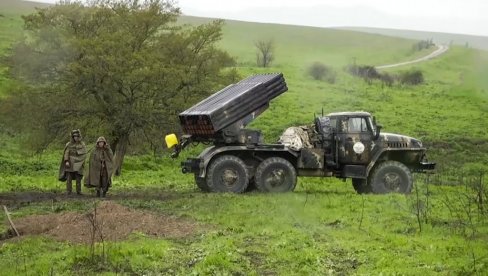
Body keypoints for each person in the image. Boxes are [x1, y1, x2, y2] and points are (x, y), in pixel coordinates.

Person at [58, 129, 87, 195]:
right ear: (72, 137)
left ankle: (79, 191)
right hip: (70, 163)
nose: (75, 138)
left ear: (79, 136)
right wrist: (66, 161)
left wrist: (81, 162)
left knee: (78, 178)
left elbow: (84, 154)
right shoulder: (69, 144)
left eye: (77, 136)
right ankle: (69, 191)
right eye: (74, 136)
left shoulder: (82, 144)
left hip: (79, 164)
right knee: (69, 178)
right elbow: (66, 153)